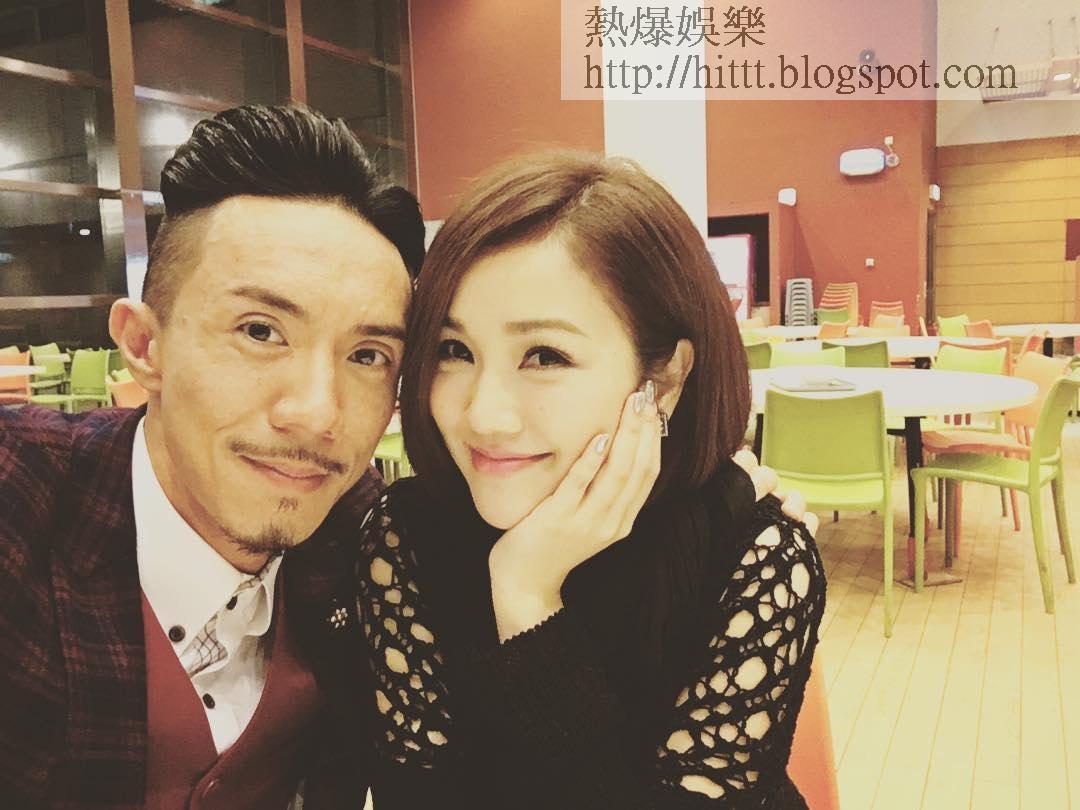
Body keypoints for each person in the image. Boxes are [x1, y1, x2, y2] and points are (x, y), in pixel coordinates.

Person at [354, 153, 827, 809]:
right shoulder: (404, 537)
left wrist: (527, 599)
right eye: (454, 350)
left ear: (663, 379)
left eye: (545, 355)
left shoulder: (752, 555)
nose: (483, 415)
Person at [0, 105, 424, 809]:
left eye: (368, 355)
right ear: (145, 347)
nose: (318, 413)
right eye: (260, 331)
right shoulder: (20, 500)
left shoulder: (367, 543)